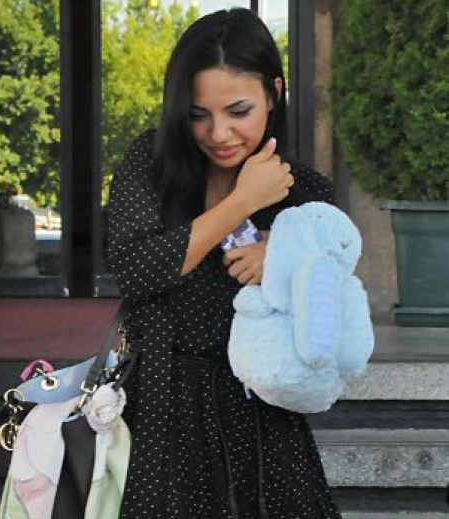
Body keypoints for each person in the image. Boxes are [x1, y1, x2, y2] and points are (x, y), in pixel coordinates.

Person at [105, 8, 340, 519]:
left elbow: (334, 323)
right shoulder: (151, 164)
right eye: (199, 115)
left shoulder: (307, 194)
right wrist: (241, 203)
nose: (219, 133)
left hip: (265, 423)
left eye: (238, 111)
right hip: (160, 413)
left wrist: (289, 262)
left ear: (273, 94)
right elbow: (135, 270)